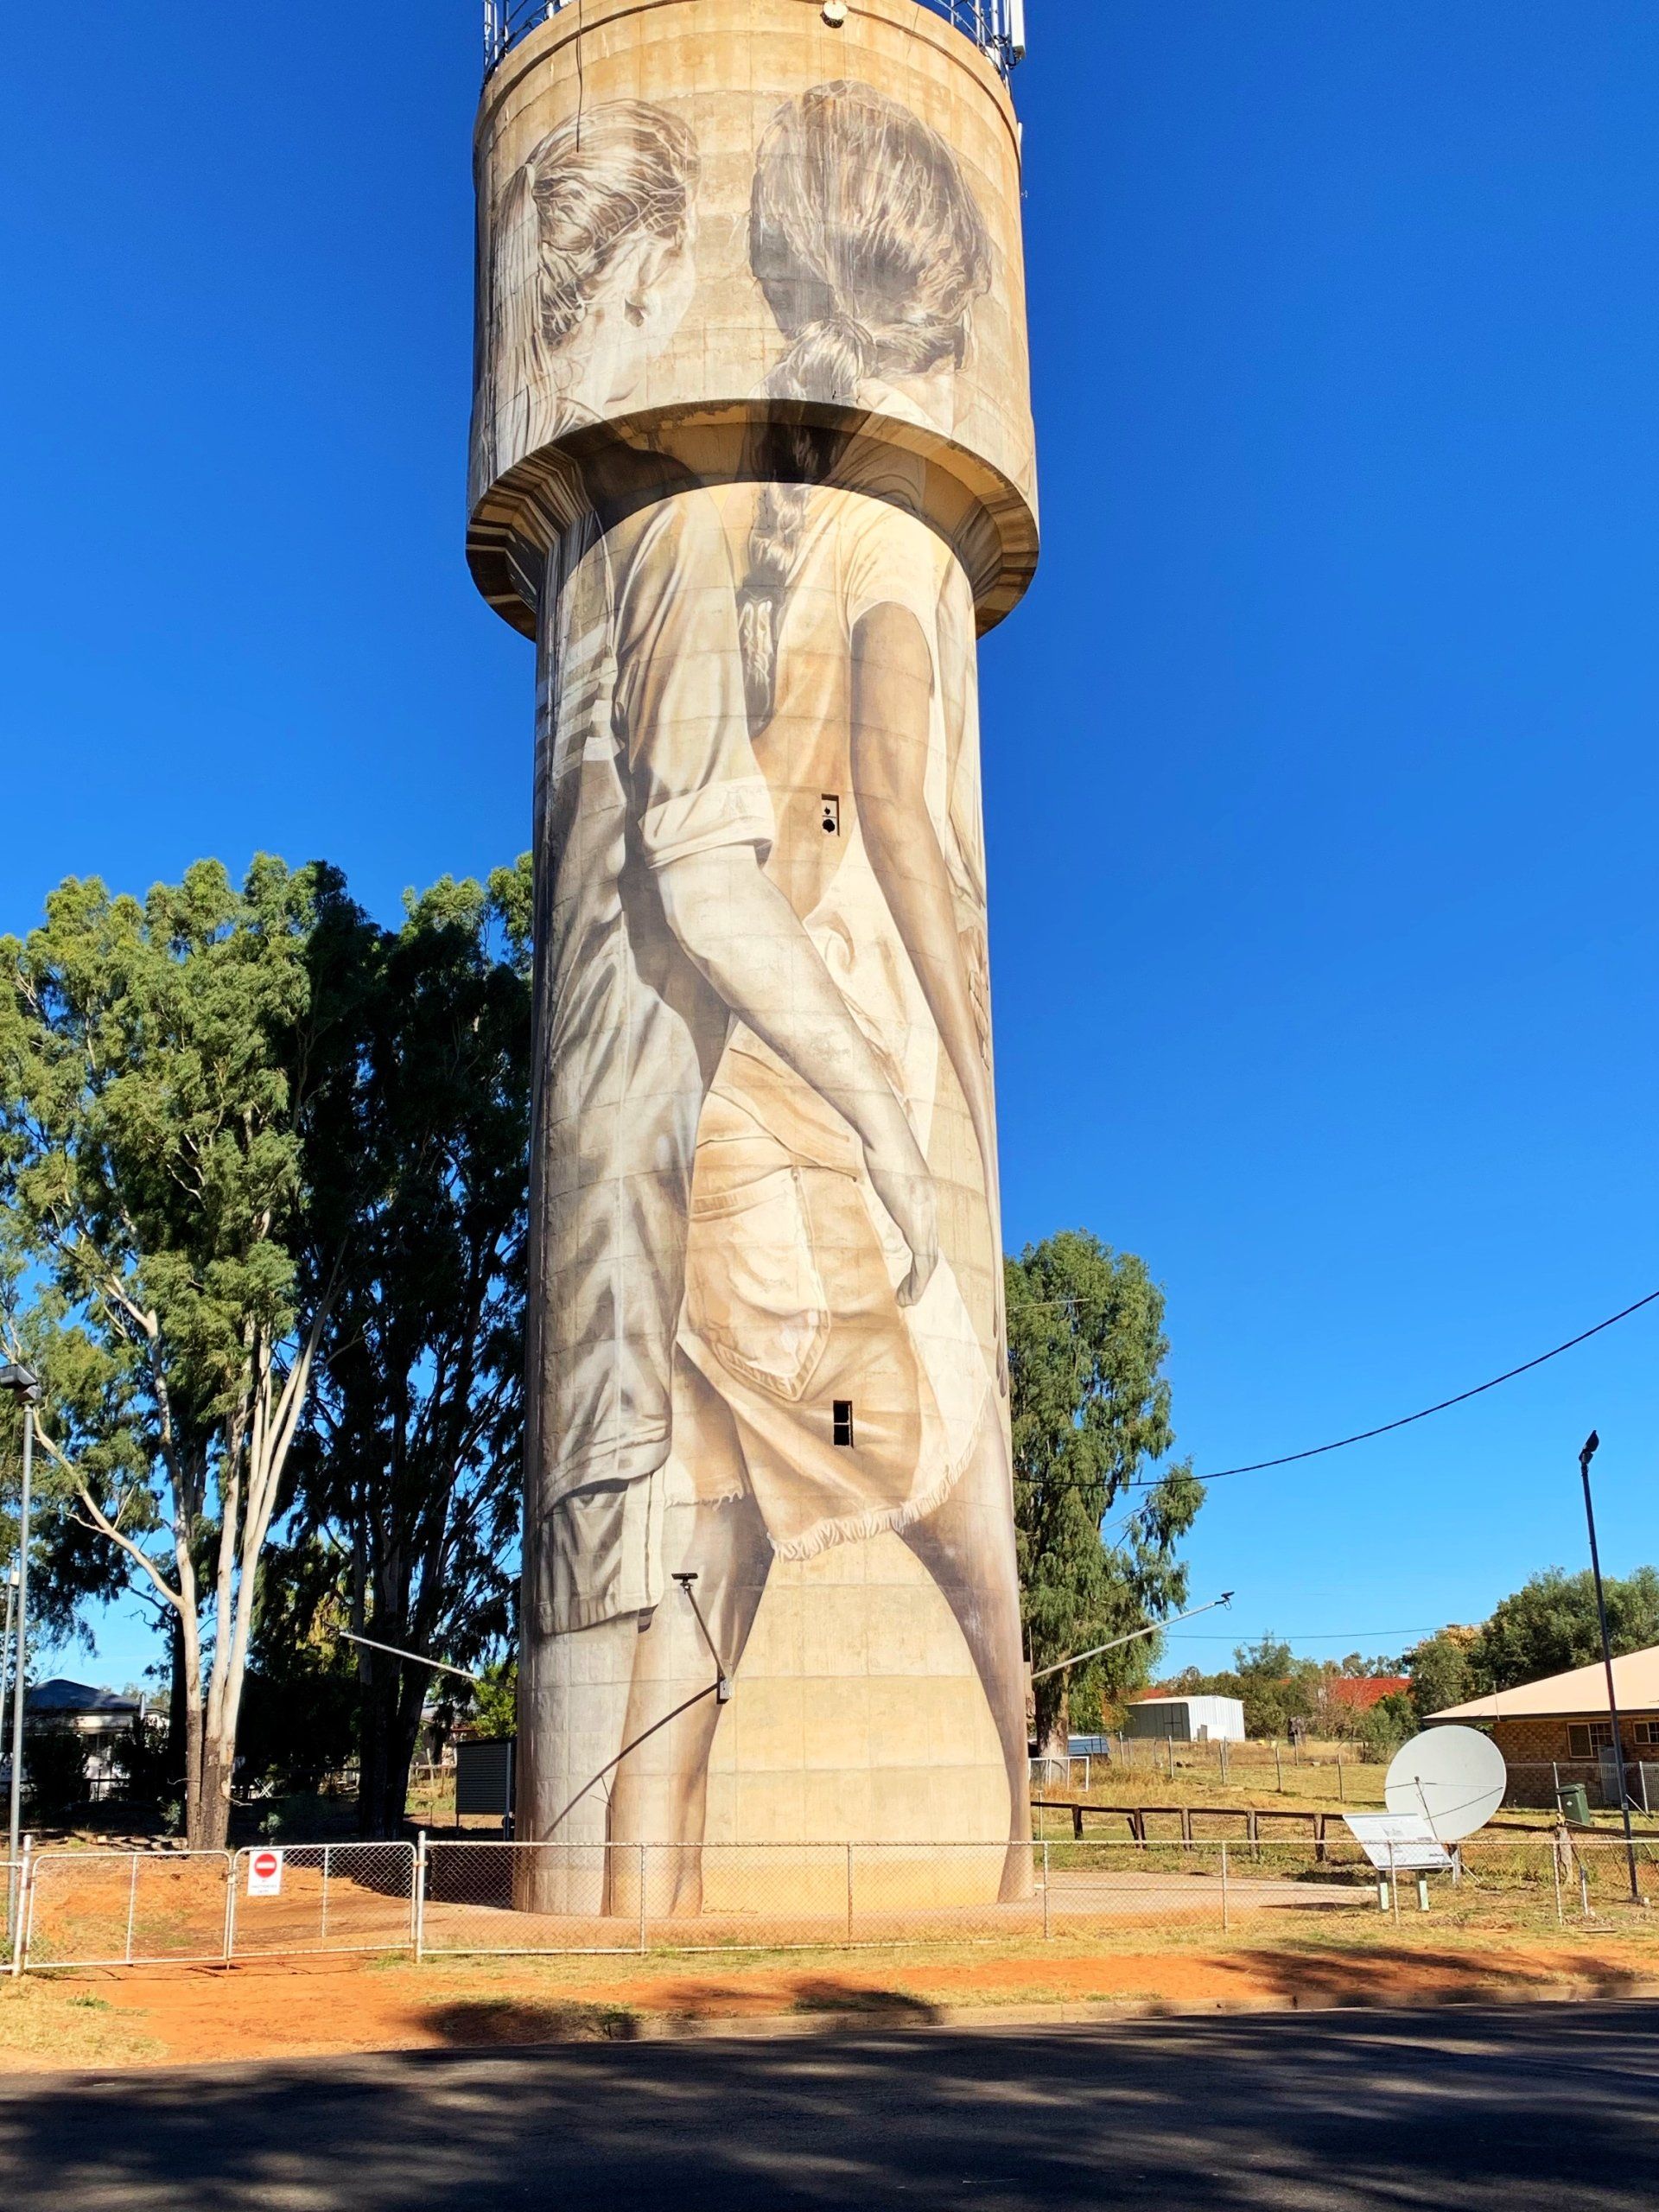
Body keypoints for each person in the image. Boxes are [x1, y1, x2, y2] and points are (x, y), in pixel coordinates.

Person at [481, 98, 943, 1874]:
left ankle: (620, 1946)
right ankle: (628, 1963)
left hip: (620, 1204)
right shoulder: (665, 542)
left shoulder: (640, 562)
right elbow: (709, 876)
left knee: (653, 1643)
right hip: (642, 1228)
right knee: (659, 1626)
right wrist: (884, 1107)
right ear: (652, 278)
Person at [607, 81, 1030, 1904]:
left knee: (712, 1533)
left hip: (729, 1114)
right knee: (955, 1503)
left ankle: (639, 1888)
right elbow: (905, 824)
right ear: (939, 329)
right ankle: (1009, 1874)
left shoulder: (717, 548)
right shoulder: (876, 553)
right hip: (831, 1115)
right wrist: (953, 1090)